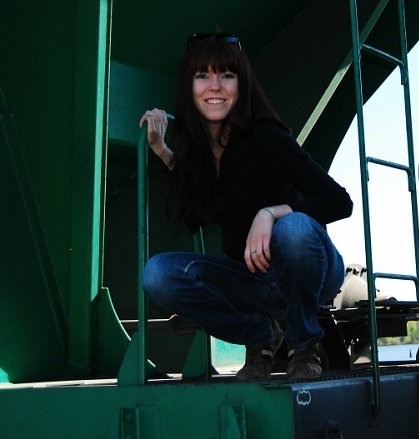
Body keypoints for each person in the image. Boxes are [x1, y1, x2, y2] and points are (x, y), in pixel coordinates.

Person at [140, 33, 352, 381]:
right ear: (190, 87)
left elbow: (340, 201)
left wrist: (271, 213)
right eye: (203, 75)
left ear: (241, 85)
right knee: (158, 274)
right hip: (254, 283)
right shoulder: (199, 154)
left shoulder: (265, 137)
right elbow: (203, 199)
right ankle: (261, 335)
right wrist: (162, 150)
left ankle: (305, 347)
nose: (215, 86)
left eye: (227, 75)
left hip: (309, 271)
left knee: (293, 227)